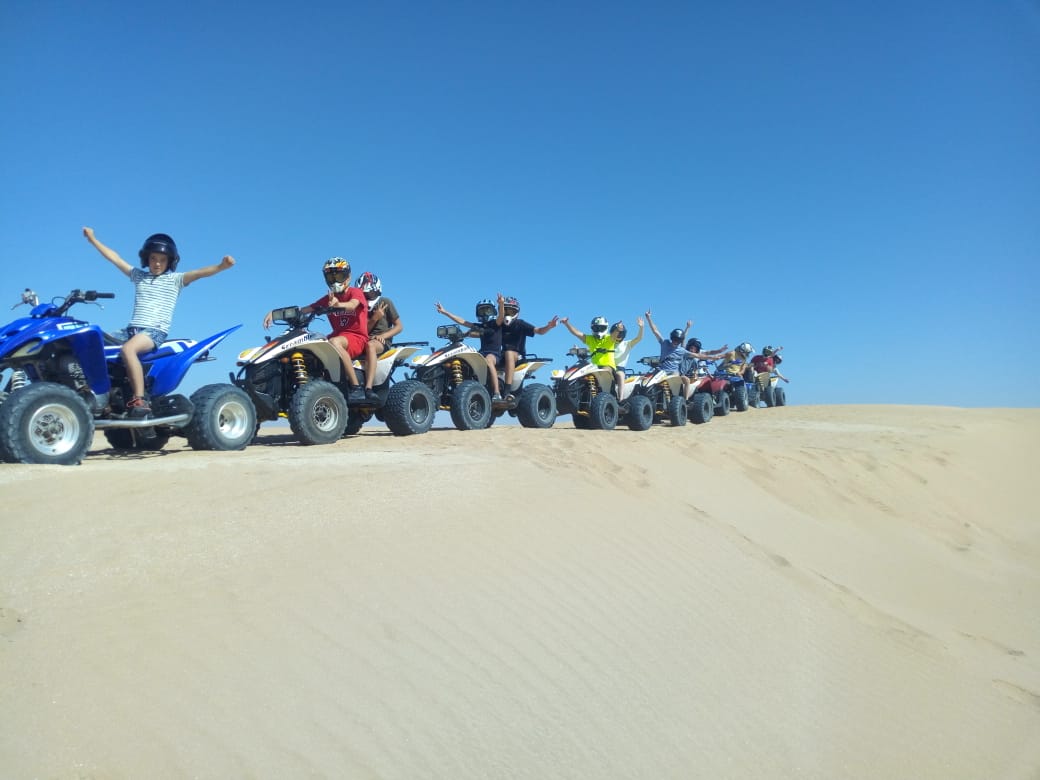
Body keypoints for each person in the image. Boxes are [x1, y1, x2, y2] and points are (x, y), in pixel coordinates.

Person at [83, 226, 235, 418]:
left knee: (128, 350)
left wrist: (221, 266)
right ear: (146, 259)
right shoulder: (139, 276)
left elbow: (199, 273)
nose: (157, 263)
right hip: (131, 330)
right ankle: (96, 393)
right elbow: (115, 259)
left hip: (154, 331)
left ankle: (140, 399)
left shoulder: (175, 280)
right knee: (95, 344)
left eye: (162, 260)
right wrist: (93, 240)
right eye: (153, 258)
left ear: (170, 262)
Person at [263, 257, 367, 403]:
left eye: (338, 276)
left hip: (357, 337)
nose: (334, 280)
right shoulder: (328, 298)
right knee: (314, 345)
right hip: (336, 336)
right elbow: (304, 309)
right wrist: (275, 314)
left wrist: (338, 305)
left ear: (348, 277)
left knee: (334, 342)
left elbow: (352, 305)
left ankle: (356, 387)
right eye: (331, 277)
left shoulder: (355, 292)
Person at [644, 310, 728, 399]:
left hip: (674, 373)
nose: (675, 342)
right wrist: (648, 318)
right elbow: (655, 331)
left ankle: (684, 400)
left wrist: (714, 357)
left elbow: (698, 355)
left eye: (678, 340)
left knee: (686, 380)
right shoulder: (665, 343)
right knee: (645, 379)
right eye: (674, 339)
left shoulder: (682, 351)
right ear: (672, 338)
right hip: (661, 370)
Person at [435, 298, 505, 400]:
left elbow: (501, 316)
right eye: (482, 311)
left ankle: (497, 393)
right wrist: (445, 312)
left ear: (493, 311)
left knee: (489, 360)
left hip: (494, 354)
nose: (485, 313)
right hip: (482, 353)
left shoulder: (496, 324)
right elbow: (462, 321)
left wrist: (501, 304)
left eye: (488, 310)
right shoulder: (479, 326)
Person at [499, 293, 559, 400]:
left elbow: (539, 331)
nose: (508, 314)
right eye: (506, 310)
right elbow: (483, 333)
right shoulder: (498, 325)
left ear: (517, 312)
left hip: (518, 356)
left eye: (511, 311)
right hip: (502, 355)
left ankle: (506, 391)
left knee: (509, 353)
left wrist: (549, 326)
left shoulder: (520, 324)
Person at [356, 271, 402, 398]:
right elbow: (363, 330)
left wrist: (383, 336)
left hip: (381, 341)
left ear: (376, 289)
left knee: (370, 346)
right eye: (364, 293)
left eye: (369, 292)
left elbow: (399, 326)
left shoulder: (385, 302)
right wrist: (375, 318)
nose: (367, 295)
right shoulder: (360, 307)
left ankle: (368, 388)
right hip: (365, 338)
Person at [560, 315, 620, 393]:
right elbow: (577, 333)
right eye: (596, 328)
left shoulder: (609, 338)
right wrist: (566, 323)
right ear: (592, 328)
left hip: (608, 367)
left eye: (601, 328)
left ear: (606, 328)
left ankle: (606, 392)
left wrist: (618, 329)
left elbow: (615, 334)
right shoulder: (590, 339)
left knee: (604, 370)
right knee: (580, 374)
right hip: (594, 367)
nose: (599, 330)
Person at [611, 318, 644, 394]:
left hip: (619, 368)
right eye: (617, 332)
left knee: (620, 375)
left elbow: (639, 338)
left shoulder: (627, 344)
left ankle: (621, 397)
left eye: (620, 334)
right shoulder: (608, 343)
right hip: (609, 366)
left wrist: (641, 327)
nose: (618, 335)